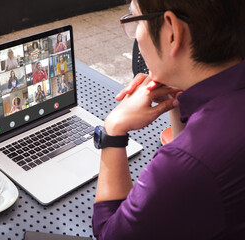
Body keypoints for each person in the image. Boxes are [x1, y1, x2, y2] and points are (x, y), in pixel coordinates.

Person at [92, 0, 245, 239]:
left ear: (172, 31)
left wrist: (113, 130)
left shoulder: (187, 162)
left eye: (135, 19)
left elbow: (110, 234)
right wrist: (179, 94)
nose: (135, 37)